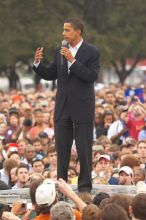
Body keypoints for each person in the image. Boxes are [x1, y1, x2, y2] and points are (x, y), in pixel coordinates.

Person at [33, 17, 100, 192]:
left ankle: (84, 187)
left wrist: (73, 61)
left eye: (67, 30)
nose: (63, 33)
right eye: (63, 30)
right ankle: (62, 184)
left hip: (83, 107)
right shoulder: (60, 50)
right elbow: (50, 74)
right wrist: (38, 64)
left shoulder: (92, 51)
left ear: (78, 31)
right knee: (62, 148)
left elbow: (91, 76)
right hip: (62, 106)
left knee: (84, 148)